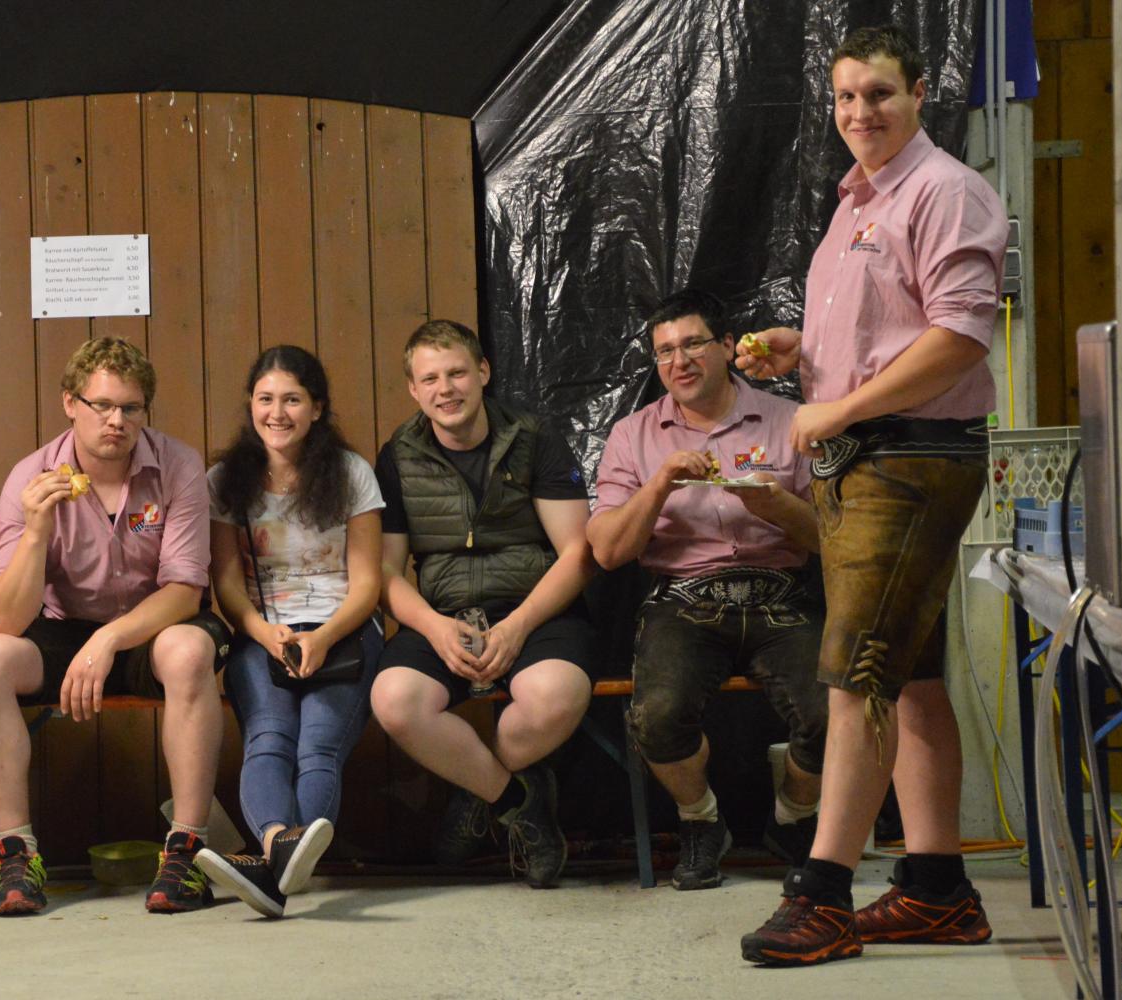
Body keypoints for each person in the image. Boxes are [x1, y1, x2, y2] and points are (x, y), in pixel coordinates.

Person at [737, 24, 1006, 966]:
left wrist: (840, 406)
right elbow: (889, 333)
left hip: (910, 461)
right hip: (868, 461)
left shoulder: (945, 191)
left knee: (856, 677)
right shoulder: (860, 198)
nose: (860, 112)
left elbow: (960, 337)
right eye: (846, 97)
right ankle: (937, 890)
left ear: (920, 93)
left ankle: (822, 896)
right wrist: (800, 350)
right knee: (912, 679)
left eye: (880, 94)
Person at [0, 337, 229, 917]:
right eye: (101, 405)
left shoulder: (178, 465)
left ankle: (186, 852)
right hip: (65, 627)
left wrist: (109, 640)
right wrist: (36, 529)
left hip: (154, 624)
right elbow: (7, 618)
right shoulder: (31, 475)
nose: (116, 421)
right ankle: (16, 857)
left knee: (189, 650)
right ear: (70, 403)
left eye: (130, 408)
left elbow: (185, 590)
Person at [587, 289, 828, 891]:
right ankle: (701, 820)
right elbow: (609, 551)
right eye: (665, 351)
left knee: (834, 714)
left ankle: (792, 817)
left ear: (726, 346)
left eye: (693, 343)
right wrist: (660, 484)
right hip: (684, 597)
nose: (679, 361)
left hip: (781, 593)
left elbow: (832, 539)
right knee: (657, 717)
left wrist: (775, 506)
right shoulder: (633, 435)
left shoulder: (790, 421)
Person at [369, 319, 596, 888]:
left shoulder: (534, 437)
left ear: (483, 372)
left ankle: (478, 791)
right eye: (430, 379)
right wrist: (433, 627)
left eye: (457, 373)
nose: (445, 389)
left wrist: (517, 627)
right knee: (394, 701)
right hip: (443, 614)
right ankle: (516, 799)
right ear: (413, 390)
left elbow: (577, 554)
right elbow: (385, 573)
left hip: (535, 609)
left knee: (555, 697)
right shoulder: (397, 455)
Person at [195, 345, 385, 918]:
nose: (277, 413)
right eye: (266, 399)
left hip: (344, 628)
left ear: (317, 408)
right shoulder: (225, 480)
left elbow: (368, 583)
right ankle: (281, 845)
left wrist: (323, 637)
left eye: (293, 400)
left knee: (317, 745)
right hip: (263, 633)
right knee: (269, 738)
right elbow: (227, 583)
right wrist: (260, 631)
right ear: (250, 405)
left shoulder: (351, 473)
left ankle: (269, 872)